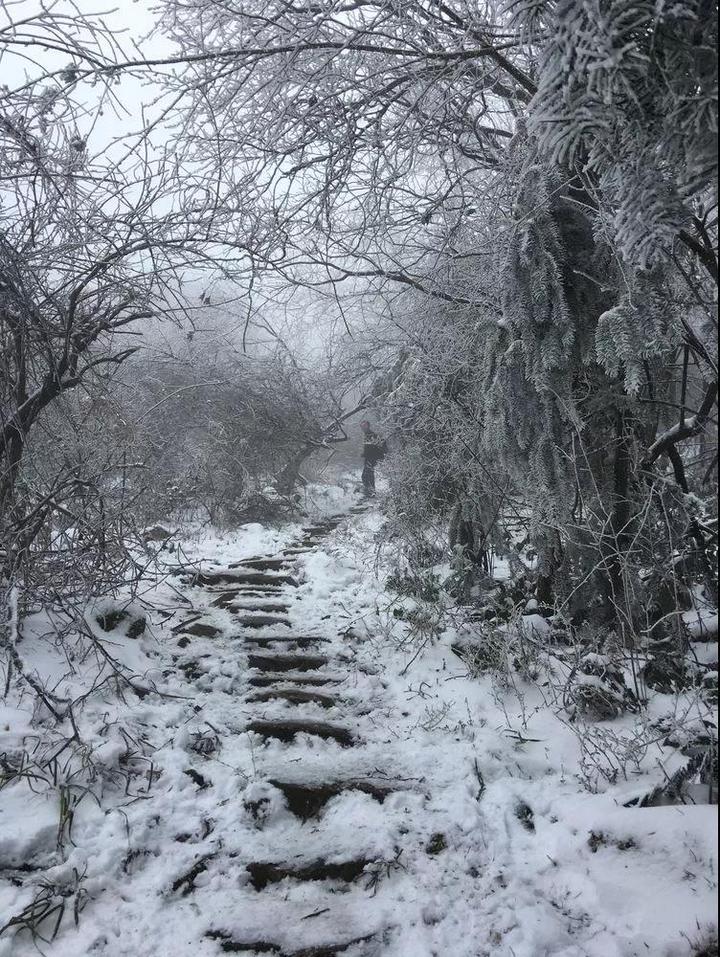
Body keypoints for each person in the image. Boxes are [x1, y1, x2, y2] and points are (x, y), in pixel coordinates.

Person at [360, 419, 386, 496]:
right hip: (370, 458)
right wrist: (364, 454)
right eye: (362, 426)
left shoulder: (371, 435)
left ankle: (371, 492)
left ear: (368, 426)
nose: (363, 427)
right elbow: (369, 447)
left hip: (372, 458)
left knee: (367, 475)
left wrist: (367, 454)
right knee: (367, 475)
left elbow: (373, 447)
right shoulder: (367, 434)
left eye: (364, 425)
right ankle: (370, 491)